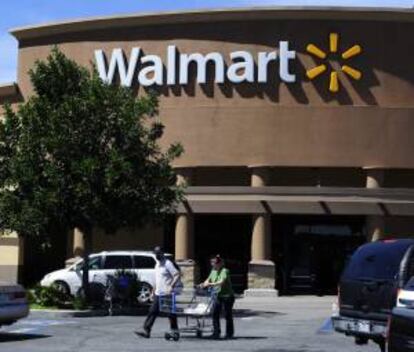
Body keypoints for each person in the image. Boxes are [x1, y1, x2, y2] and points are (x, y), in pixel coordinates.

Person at [135, 246, 182, 338]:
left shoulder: (167, 263)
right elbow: (158, 279)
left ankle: (175, 331)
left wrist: (171, 286)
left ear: (162, 253)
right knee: (152, 311)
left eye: (158, 253)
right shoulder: (157, 264)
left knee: (170, 313)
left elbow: (176, 274)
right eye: (156, 253)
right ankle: (146, 330)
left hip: (167, 293)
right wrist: (153, 290)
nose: (157, 255)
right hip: (158, 293)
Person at [200, 255, 235, 339]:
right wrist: (203, 284)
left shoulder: (225, 271)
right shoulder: (213, 271)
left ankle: (229, 333)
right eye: (211, 262)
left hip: (227, 296)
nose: (212, 264)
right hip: (218, 295)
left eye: (214, 263)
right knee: (215, 314)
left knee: (227, 315)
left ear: (220, 263)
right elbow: (208, 280)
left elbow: (221, 282)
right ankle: (216, 332)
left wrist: (209, 284)